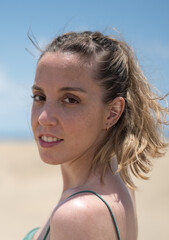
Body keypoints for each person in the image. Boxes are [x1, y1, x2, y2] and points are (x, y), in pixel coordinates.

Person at [23, 31, 168, 240]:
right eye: (40, 97)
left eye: (70, 100)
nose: (44, 117)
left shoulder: (78, 214)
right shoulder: (119, 183)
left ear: (112, 112)